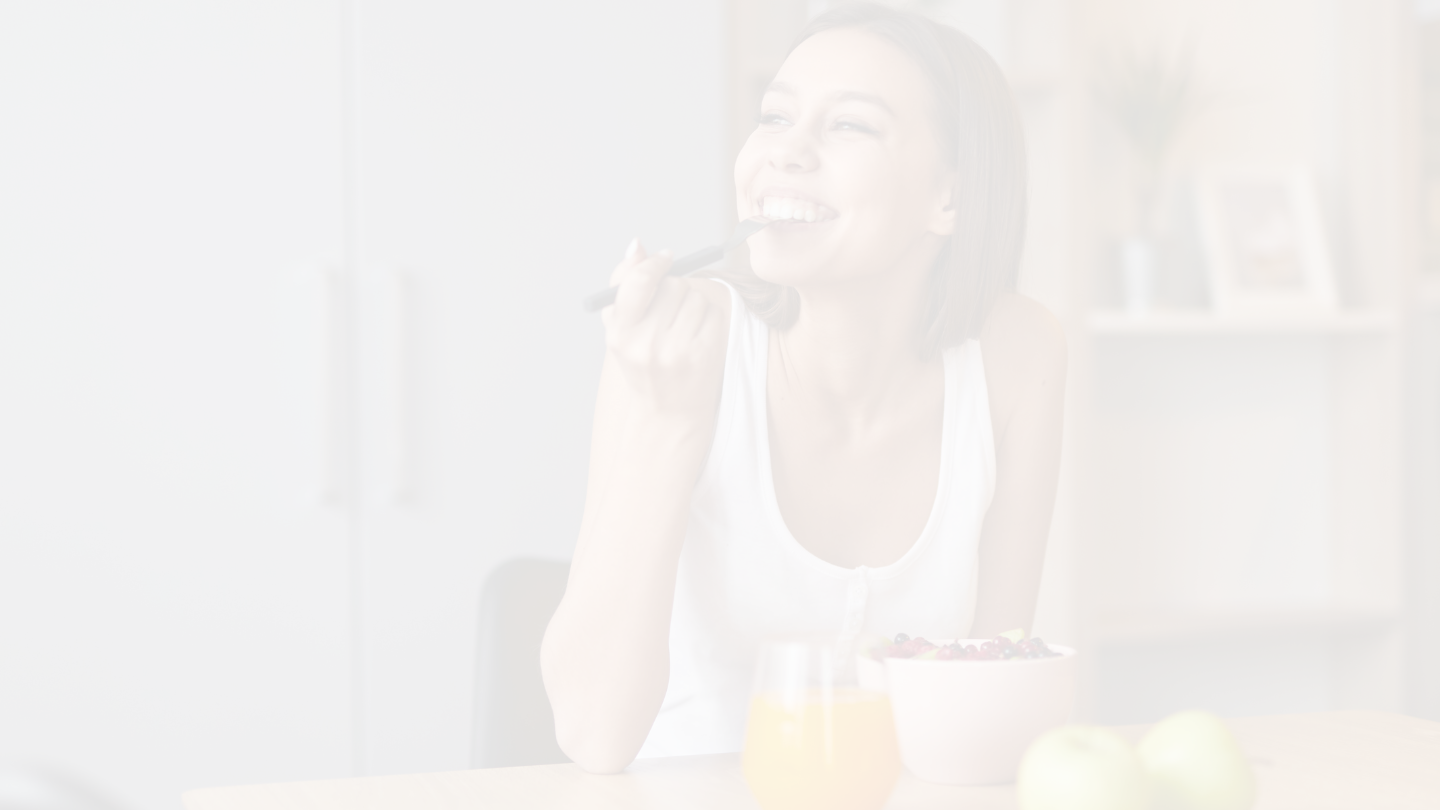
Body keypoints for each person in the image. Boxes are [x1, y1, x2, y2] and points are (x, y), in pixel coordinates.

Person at [540, 3, 1066, 774]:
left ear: (948, 196)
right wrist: (671, 423)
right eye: (774, 116)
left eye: (848, 126)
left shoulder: (1020, 355)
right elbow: (593, 734)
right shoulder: (681, 348)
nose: (783, 153)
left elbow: (986, 701)